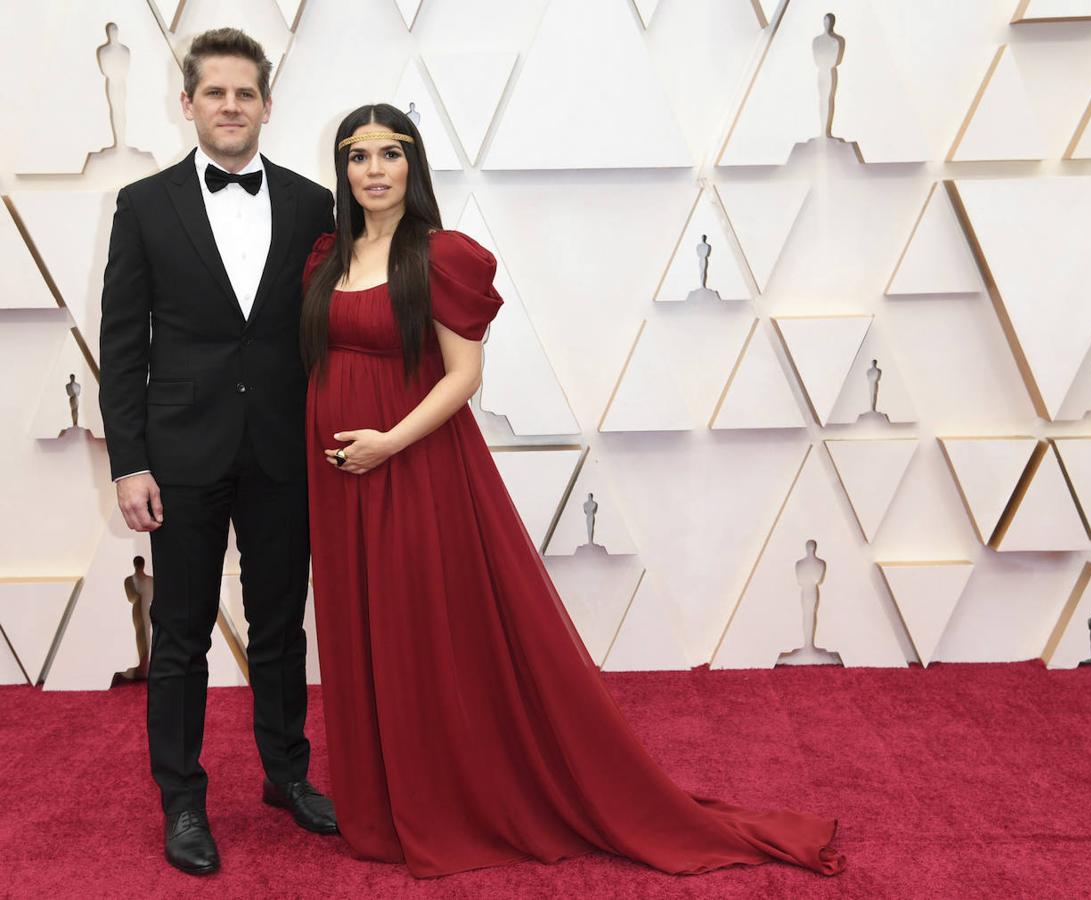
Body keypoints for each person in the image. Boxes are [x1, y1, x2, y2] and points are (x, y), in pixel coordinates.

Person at [302, 103, 845, 879]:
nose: (375, 170)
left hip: (415, 469)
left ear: (414, 167)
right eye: (359, 156)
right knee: (362, 631)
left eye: (392, 153)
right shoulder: (326, 257)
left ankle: (445, 796)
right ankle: (381, 802)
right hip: (340, 485)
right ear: (344, 169)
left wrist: (388, 442)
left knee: (422, 630)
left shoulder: (440, 255)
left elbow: (464, 376)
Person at [98, 28, 338, 877]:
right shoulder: (144, 204)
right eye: (215, 93)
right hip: (181, 459)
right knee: (180, 637)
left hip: (283, 451)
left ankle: (287, 775)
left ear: (267, 105)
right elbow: (122, 345)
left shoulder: (316, 205)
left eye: (245, 94)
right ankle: (184, 800)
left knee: (280, 627)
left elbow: (333, 331)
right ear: (188, 103)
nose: (230, 106)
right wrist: (130, 461)